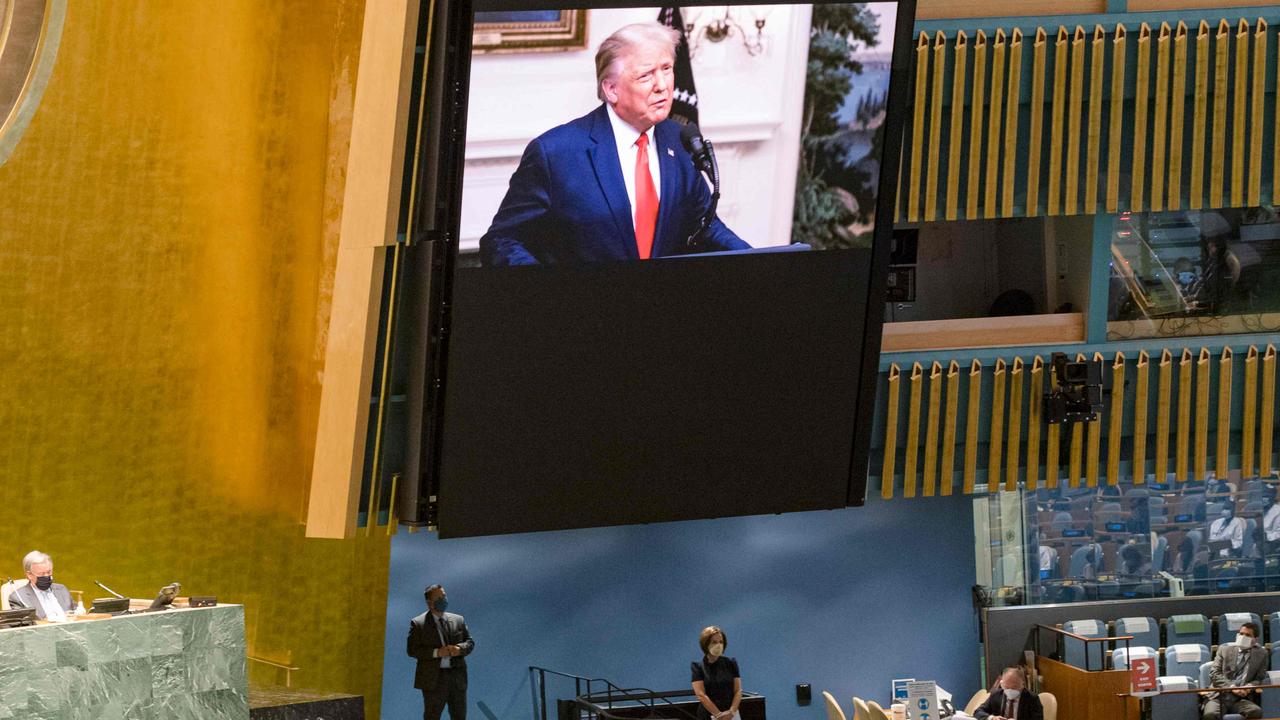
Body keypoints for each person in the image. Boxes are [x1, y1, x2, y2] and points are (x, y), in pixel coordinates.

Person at [479, 22, 749, 266]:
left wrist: (762, 264)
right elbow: (502, 240)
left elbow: (707, 225)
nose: (662, 85)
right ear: (611, 90)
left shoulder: (679, 140)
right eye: (646, 76)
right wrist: (552, 294)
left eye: (666, 69)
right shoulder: (555, 153)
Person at [407, 584, 474, 720]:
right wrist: (437, 652)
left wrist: (460, 649)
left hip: (457, 678)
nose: (443, 599)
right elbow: (412, 650)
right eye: (439, 597)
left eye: (444, 596)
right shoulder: (418, 623)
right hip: (434, 680)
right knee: (432, 716)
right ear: (429, 603)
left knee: (459, 716)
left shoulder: (458, 620)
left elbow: (470, 642)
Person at [1202, 621, 1266, 720]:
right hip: (1219, 697)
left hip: (1241, 699)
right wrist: (1232, 687)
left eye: (1248, 635)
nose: (1243, 637)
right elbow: (1214, 674)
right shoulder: (1224, 650)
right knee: (1210, 715)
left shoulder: (1261, 654)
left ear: (1255, 640)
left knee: (1255, 712)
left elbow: (1259, 678)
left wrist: (1248, 687)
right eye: (1241, 634)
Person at [691, 625, 741, 720]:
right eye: (714, 642)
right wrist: (718, 715)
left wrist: (732, 712)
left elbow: (738, 690)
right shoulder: (698, 667)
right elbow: (701, 695)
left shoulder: (730, 663)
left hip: (731, 714)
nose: (718, 645)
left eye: (721, 642)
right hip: (709, 715)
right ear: (706, 644)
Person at [7, 550, 73, 621]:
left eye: (49, 572)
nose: (46, 576)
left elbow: (77, 613)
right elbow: (22, 627)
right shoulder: (18, 598)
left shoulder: (62, 589)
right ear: (29, 575)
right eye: (41, 574)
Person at [975, 666, 1043, 720]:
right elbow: (978, 712)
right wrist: (992, 718)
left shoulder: (1032, 698)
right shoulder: (996, 695)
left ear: (1023, 684)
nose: (1010, 690)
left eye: (1014, 687)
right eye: (1007, 688)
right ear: (1002, 684)